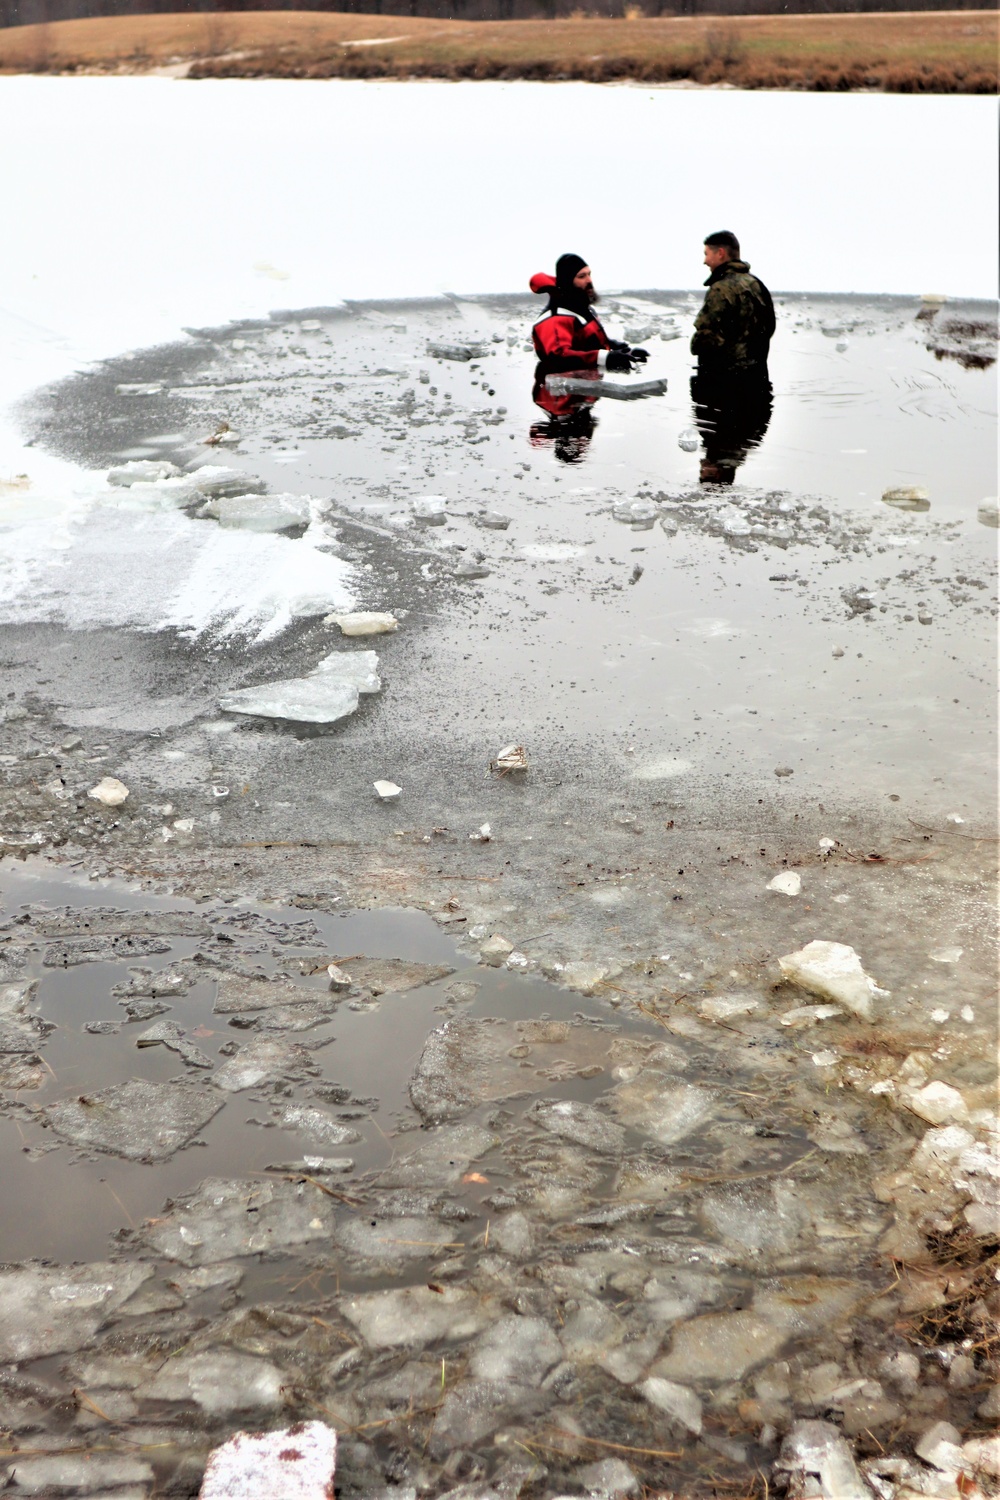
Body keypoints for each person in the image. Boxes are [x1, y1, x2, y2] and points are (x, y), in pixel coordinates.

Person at [690, 232, 775, 484]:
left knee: (722, 429)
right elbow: (768, 328)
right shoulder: (757, 285)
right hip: (756, 383)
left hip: (724, 389)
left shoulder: (721, 288)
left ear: (721, 253)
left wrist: (700, 349)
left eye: (707, 254)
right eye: (704, 470)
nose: (705, 261)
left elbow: (705, 337)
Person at [530, 254, 649, 376]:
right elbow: (558, 357)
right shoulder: (553, 320)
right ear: (568, 282)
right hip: (560, 393)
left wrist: (619, 350)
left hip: (586, 388)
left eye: (589, 274)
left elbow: (585, 341)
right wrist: (605, 357)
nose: (589, 280)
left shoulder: (583, 310)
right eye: (582, 276)